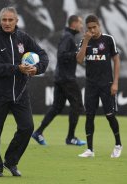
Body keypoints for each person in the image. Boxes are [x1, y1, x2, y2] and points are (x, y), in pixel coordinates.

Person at [0, 7, 49, 177]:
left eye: (10, 20)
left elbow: (43, 55)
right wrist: (17, 69)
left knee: (27, 127)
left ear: (16, 21)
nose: (7, 23)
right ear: (0, 21)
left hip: (20, 94)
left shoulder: (23, 38)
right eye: (4, 20)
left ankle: (11, 161)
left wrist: (37, 68)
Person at [32, 15, 86, 146]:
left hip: (61, 77)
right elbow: (61, 55)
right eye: (80, 23)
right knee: (77, 106)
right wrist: (76, 54)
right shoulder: (68, 37)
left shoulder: (68, 36)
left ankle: (38, 132)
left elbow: (64, 55)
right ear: (73, 23)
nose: (82, 26)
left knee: (57, 107)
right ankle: (70, 138)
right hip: (67, 79)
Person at [76, 15, 122, 158]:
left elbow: (116, 60)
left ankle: (118, 145)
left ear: (99, 25)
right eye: (89, 28)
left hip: (106, 84)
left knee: (109, 115)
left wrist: (115, 83)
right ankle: (90, 149)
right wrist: (86, 42)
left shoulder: (108, 40)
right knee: (89, 116)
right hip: (91, 85)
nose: (92, 30)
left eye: (94, 27)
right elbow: (79, 60)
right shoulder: (85, 41)